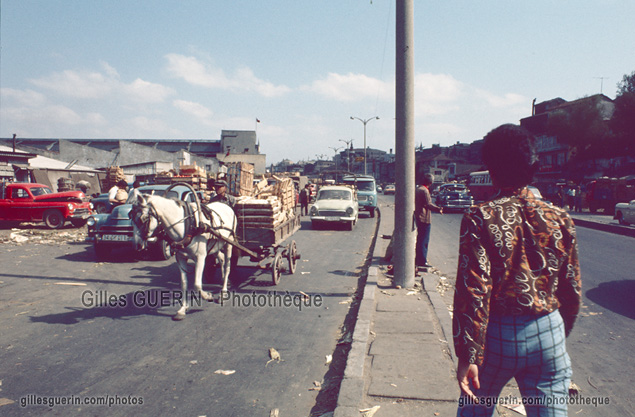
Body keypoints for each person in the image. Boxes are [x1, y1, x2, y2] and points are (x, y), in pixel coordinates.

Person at [453, 124, 581, 417]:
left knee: (475, 408)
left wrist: (468, 354)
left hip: (496, 336)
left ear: (491, 169)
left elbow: (473, 289)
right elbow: (571, 288)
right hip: (549, 330)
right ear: (534, 166)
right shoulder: (560, 218)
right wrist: (556, 333)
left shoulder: (480, 216)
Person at [414, 173, 443, 268]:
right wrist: (438, 209)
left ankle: (419, 259)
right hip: (424, 217)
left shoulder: (418, 189)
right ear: (430, 182)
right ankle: (422, 261)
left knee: (420, 239)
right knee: (424, 240)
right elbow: (428, 204)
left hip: (418, 216)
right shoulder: (425, 191)